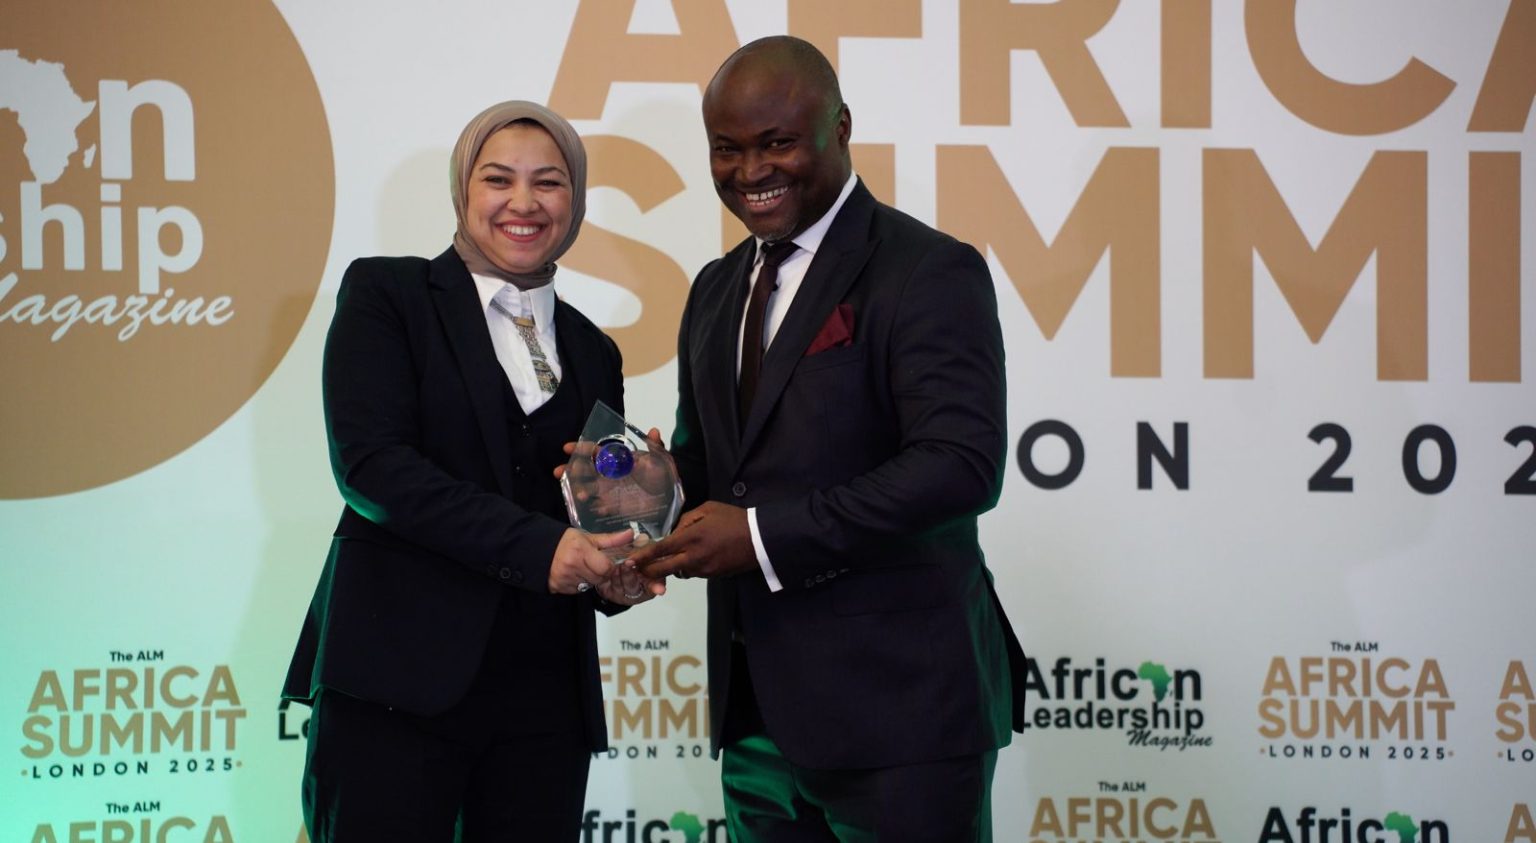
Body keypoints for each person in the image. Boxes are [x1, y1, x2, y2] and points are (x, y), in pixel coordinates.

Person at [628, 36, 1027, 842]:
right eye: (727, 148)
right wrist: (646, 487)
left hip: (903, 714)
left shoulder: (927, 268)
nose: (750, 170)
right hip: (755, 716)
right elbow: (720, 468)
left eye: (776, 142)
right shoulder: (715, 288)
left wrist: (758, 536)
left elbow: (960, 466)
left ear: (840, 128)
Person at [282, 100, 658, 842]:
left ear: (575, 199)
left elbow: (589, 509)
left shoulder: (594, 350)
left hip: (543, 702)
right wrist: (541, 549)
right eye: (498, 179)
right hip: (394, 683)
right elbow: (373, 467)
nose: (524, 202)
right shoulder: (388, 296)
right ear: (462, 189)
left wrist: (622, 562)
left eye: (548, 182)